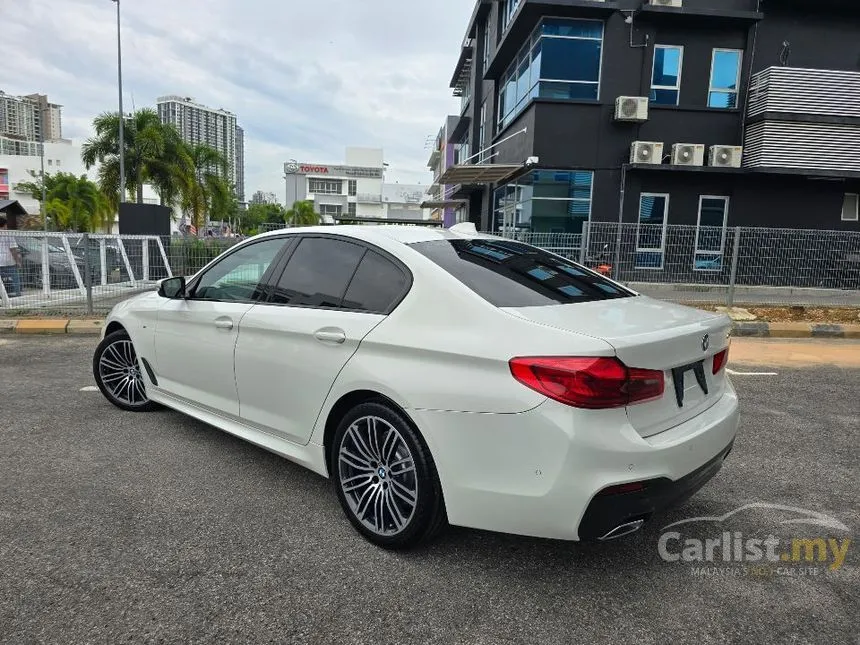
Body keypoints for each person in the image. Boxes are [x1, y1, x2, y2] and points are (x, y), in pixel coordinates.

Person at [0, 215, 23, 297]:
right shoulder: (8, 234)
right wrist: (18, 261)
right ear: (5, 224)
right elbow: (13, 250)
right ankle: (18, 293)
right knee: (15, 277)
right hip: (9, 261)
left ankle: (2, 296)